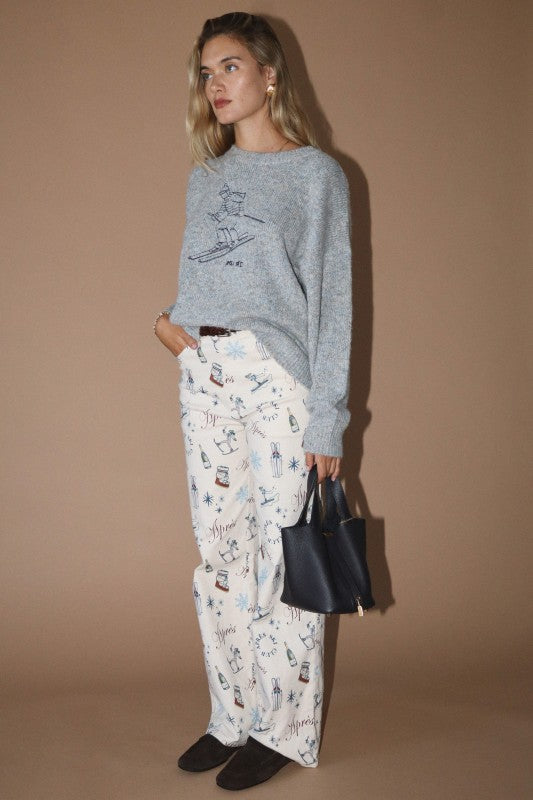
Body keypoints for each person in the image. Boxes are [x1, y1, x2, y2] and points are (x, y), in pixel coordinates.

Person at [154, 11, 352, 792]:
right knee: (221, 559)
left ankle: (282, 730)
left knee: (283, 557)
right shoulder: (206, 177)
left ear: (269, 75)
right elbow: (207, 276)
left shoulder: (314, 175)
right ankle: (230, 716)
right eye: (206, 73)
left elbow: (331, 302)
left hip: (276, 379)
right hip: (204, 374)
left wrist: (327, 416)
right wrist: (173, 331)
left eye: (229, 67)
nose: (215, 84)